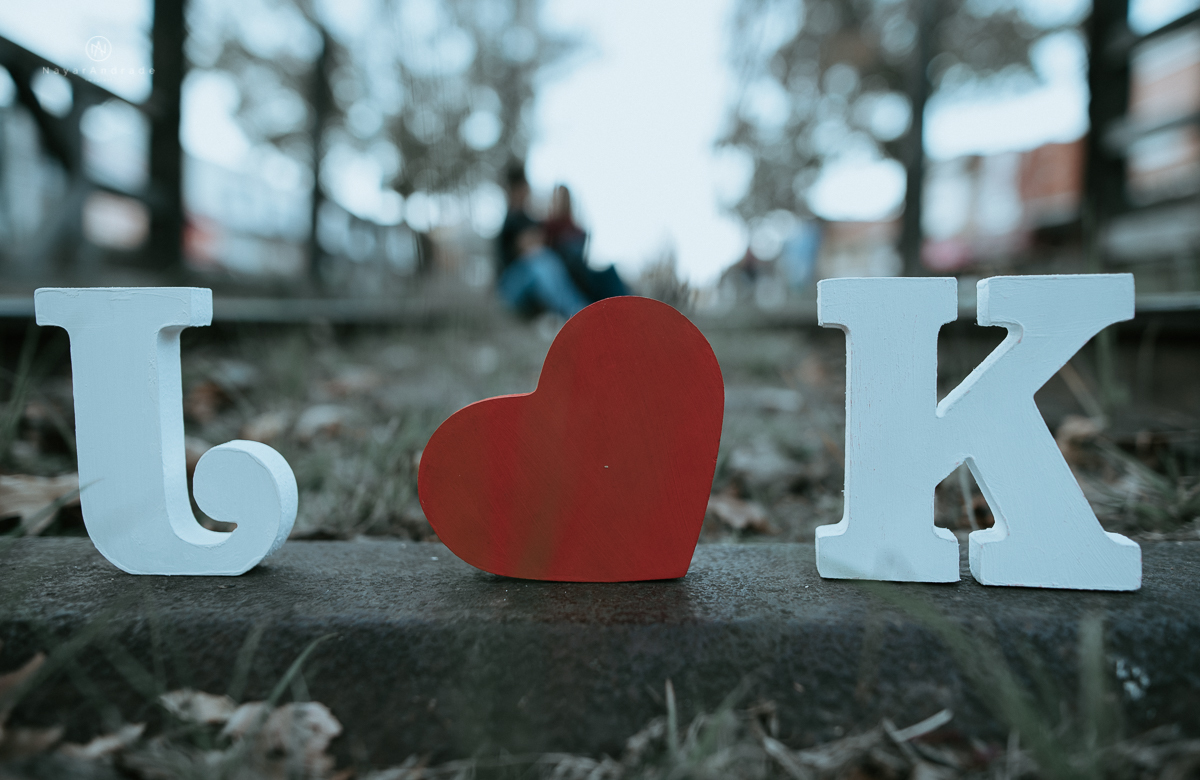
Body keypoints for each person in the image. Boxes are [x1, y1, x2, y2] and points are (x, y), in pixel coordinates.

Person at [495, 165, 589, 320]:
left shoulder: (532, 220)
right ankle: (579, 314)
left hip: (532, 284)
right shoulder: (511, 221)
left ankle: (579, 311)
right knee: (542, 262)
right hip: (511, 287)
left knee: (547, 262)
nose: (526, 192)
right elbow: (527, 247)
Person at [543, 185, 630, 302]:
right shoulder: (548, 229)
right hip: (567, 275)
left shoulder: (576, 229)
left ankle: (625, 306)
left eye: (562, 198)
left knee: (610, 273)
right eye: (557, 198)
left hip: (582, 273)